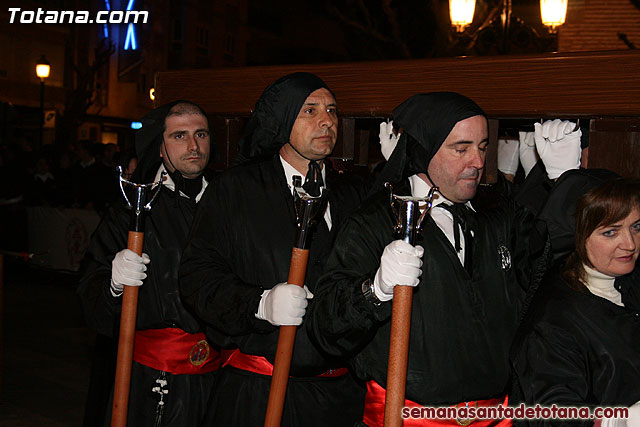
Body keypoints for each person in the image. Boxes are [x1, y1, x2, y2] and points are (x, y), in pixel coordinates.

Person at [308, 92, 582, 427]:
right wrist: (374, 291)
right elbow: (326, 327)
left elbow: (553, 271)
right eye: (461, 148)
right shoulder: (375, 221)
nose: (479, 161)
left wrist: (566, 183)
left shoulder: (498, 214)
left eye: (483, 146)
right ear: (424, 150)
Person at [179, 72, 367, 426]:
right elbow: (197, 277)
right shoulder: (235, 190)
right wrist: (259, 304)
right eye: (309, 111)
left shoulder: (353, 194)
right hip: (259, 394)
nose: (327, 120)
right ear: (282, 119)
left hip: (341, 398)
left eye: (332, 110)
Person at [77, 101, 222, 426]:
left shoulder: (227, 204)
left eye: (201, 134)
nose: (194, 145)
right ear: (160, 146)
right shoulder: (133, 211)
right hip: (151, 381)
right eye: (179, 136)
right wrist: (112, 284)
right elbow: (91, 297)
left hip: (216, 379)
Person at [511, 171, 640, 426]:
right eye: (610, 233)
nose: (630, 244)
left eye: (636, 227)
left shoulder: (628, 281)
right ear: (577, 238)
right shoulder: (553, 321)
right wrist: (622, 420)